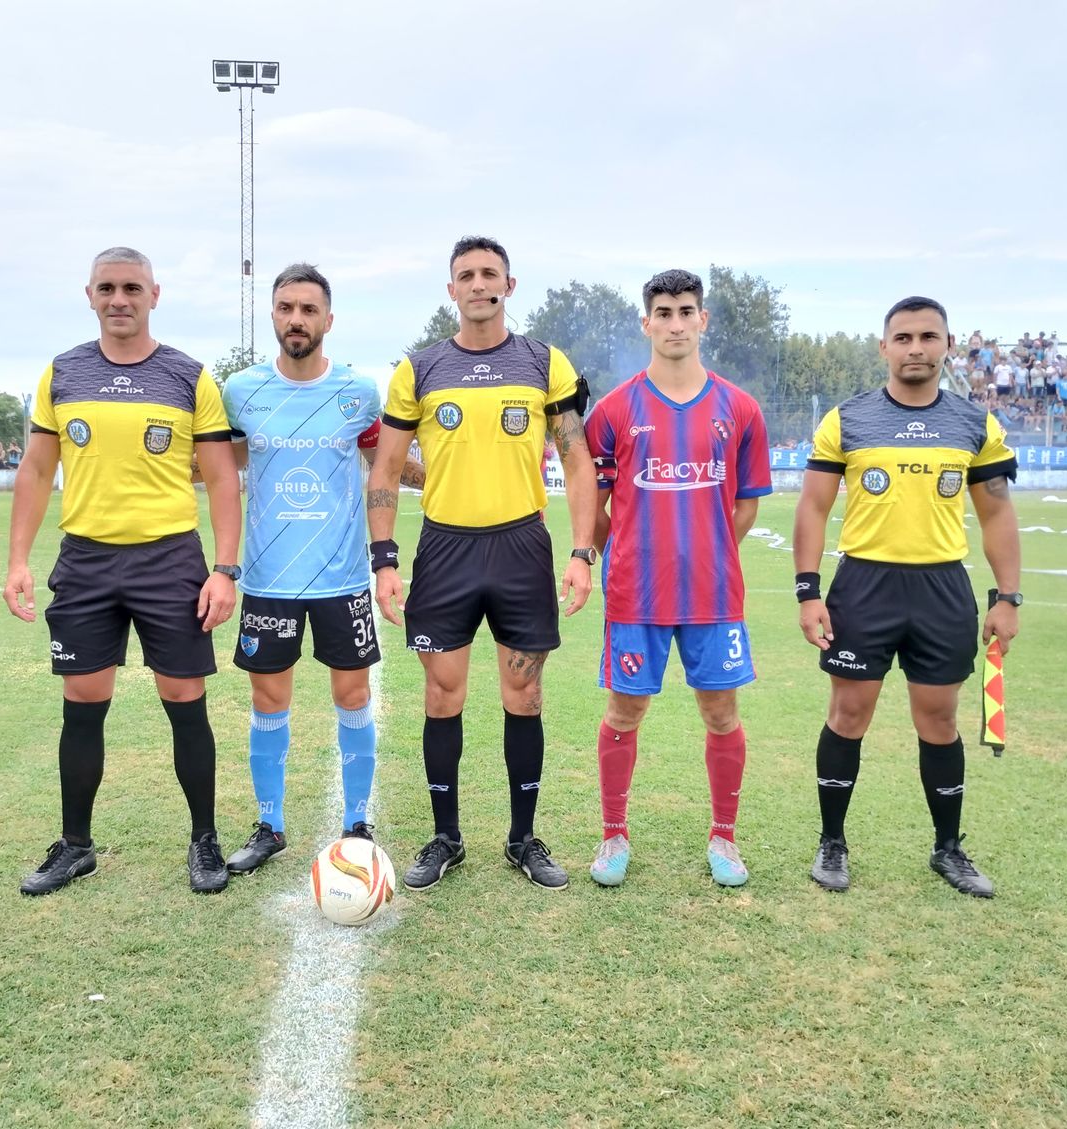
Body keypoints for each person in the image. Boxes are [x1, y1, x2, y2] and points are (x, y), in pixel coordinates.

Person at [5, 246, 241, 896]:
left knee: (184, 700)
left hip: (169, 560)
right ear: (89, 294)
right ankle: (75, 845)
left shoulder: (189, 376)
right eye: (107, 287)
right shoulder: (63, 372)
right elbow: (35, 469)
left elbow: (221, 477)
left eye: (131, 287)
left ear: (154, 294)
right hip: (84, 559)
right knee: (82, 703)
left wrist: (225, 568)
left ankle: (204, 838)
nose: (119, 299)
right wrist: (19, 559)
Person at [366, 234, 596, 891]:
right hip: (446, 550)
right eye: (465, 274)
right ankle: (446, 836)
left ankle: (523, 838)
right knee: (444, 693)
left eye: (488, 272)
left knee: (523, 692)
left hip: (521, 547)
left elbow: (577, 460)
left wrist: (582, 551)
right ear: (451, 290)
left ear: (509, 285)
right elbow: (385, 466)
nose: (477, 283)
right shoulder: (419, 369)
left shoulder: (544, 362)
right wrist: (385, 558)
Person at [794, 296, 1020, 898]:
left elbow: (997, 514)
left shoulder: (975, 424)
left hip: (942, 588)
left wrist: (1008, 598)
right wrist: (808, 593)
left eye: (928, 337)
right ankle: (832, 843)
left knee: (939, 719)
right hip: (864, 587)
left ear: (947, 346)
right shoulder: (848, 419)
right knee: (848, 714)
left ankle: (948, 849)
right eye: (903, 338)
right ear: (884, 347)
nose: (915, 348)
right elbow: (813, 507)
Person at [218, 263, 425, 874]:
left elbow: (389, 465)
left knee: (352, 693)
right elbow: (224, 471)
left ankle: (357, 821)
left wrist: (440, 480)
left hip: (341, 578)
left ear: (328, 320)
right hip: (267, 577)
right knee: (267, 695)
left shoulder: (359, 393)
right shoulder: (241, 392)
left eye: (309, 309)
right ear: (273, 317)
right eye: (286, 308)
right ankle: (269, 824)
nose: (297, 319)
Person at [582, 269, 772, 889]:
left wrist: (706, 549)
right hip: (635, 593)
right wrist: (637, 551)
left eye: (686, 311)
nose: (675, 323)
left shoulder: (740, 409)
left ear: (703, 321)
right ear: (646, 323)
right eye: (662, 313)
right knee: (625, 709)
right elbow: (596, 507)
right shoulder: (613, 411)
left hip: (715, 595)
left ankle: (725, 836)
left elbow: (744, 507)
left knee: (721, 712)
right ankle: (614, 835)